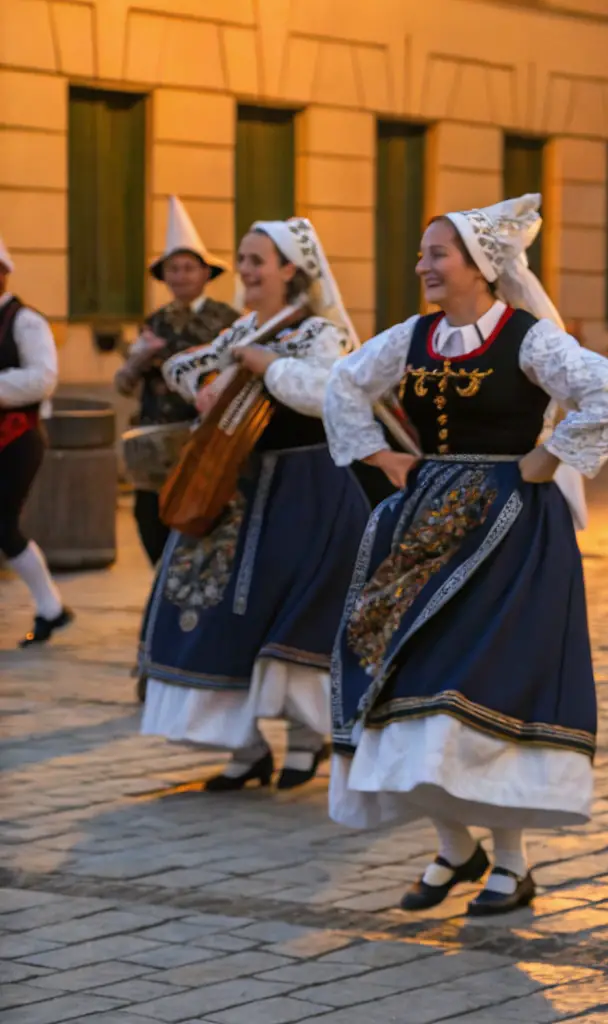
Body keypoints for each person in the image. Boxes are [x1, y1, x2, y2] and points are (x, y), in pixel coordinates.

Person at [324, 195, 608, 916]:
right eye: (422, 253)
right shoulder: (413, 336)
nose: (423, 266)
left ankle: (509, 862)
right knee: (400, 680)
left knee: (481, 694)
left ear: (481, 265)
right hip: (425, 526)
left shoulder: (527, 338)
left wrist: (546, 457)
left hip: (511, 533)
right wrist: (381, 457)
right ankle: (453, 845)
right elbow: (343, 383)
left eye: (437, 253)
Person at [139, 218, 370, 790]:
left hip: (309, 488)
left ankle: (306, 737)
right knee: (205, 605)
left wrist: (269, 368)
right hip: (235, 487)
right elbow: (180, 366)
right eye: (241, 258)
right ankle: (242, 747)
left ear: (290, 269)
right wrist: (208, 384)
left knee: (291, 611)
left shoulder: (319, 332)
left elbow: (328, 394)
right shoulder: (242, 328)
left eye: (256, 260)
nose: (244, 270)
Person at [116, 197, 239, 563]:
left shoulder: (227, 320)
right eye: (173, 269)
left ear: (205, 274)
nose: (181, 276)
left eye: (188, 268)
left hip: (204, 437)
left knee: (202, 519)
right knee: (150, 519)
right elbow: (123, 384)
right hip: (155, 440)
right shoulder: (153, 322)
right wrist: (139, 356)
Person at [0, 235, 72, 647]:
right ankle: (52, 609)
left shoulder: (27, 322)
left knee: (4, 524)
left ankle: (52, 607)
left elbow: (42, 379)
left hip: (18, 440)